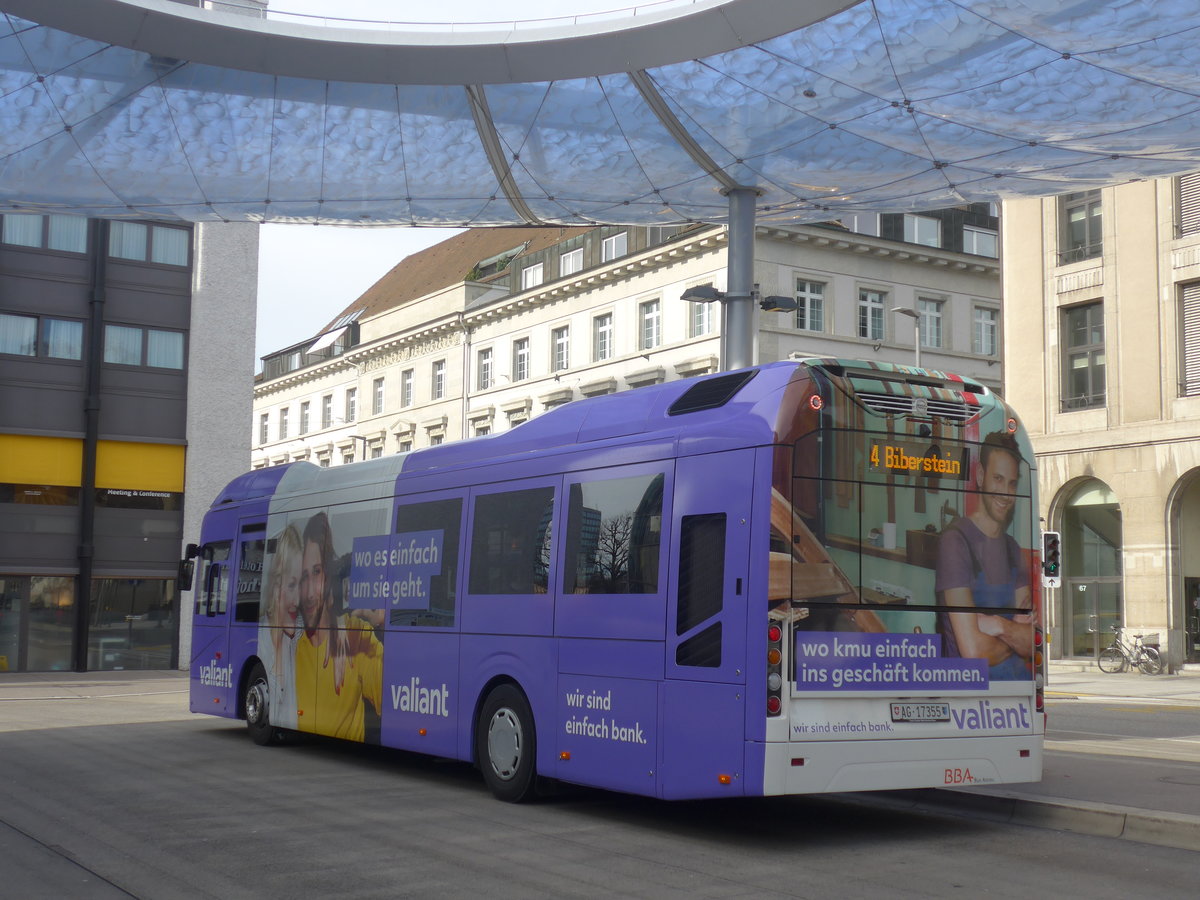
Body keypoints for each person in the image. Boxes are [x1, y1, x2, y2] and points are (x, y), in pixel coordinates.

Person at [935, 432, 1034, 679]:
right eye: (998, 479)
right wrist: (1014, 635)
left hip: (1015, 692)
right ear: (980, 477)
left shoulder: (1013, 550)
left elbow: (1032, 643)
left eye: (1012, 483)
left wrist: (997, 625)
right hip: (968, 690)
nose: (1006, 494)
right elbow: (973, 650)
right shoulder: (955, 542)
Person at [295, 511, 383, 742]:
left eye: (317, 572)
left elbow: (394, 694)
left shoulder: (355, 634)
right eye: (304, 577)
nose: (311, 591)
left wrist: (381, 624)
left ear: (329, 579)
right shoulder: (295, 648)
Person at [259, 524, 302, 730]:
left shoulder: (296, 641)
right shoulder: (258, 640)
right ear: (275, 585)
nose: (298, 599)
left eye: (300, 586)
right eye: (292, 585)